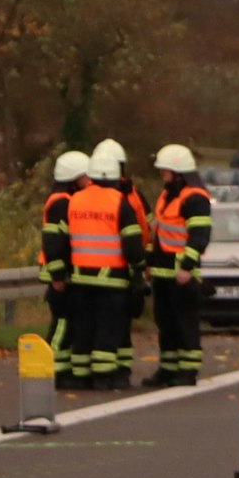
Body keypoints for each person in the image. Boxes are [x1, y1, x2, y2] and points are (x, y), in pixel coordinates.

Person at [65, 153, 145, 390]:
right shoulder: (120, 202)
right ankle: (103, 376)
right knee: (108, 329)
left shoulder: (75, 200)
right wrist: (139, 269)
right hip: (111, 280)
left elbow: (63, 238)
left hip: (79, 279)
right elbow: (132, 243)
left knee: (83, 328)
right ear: (115, 177)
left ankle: (80, 374)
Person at [143, 144, 211, 388]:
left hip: (183, 274)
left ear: (178, 172)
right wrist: (149, 263)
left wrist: (187, 267)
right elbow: (158, 232)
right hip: (163, 272)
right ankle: (168, 368)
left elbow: (199, 236)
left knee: (185, 323)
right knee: (166, 323)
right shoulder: (167, 196)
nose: (162, 175)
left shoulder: (195, 198)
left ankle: (188, 369)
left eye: (165, 171)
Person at [93, 139, 150, 379]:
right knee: (113, 322)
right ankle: (115, 369)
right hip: (119, 266)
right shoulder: (127, 197)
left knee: (116, 322)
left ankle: (118, 368)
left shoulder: (129, 195)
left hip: (120, 266)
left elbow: (146, 224)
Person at [39, 150, 92, 390]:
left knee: (68, 322)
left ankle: (63, 369)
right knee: (62, 323)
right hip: (59, 273)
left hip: (63, 271)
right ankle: (53, 370)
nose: (88, 181)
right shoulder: (61, 203)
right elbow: (54, 242)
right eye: (85, 177)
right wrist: (59, 275)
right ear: (74, 178)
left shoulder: (65, 199)